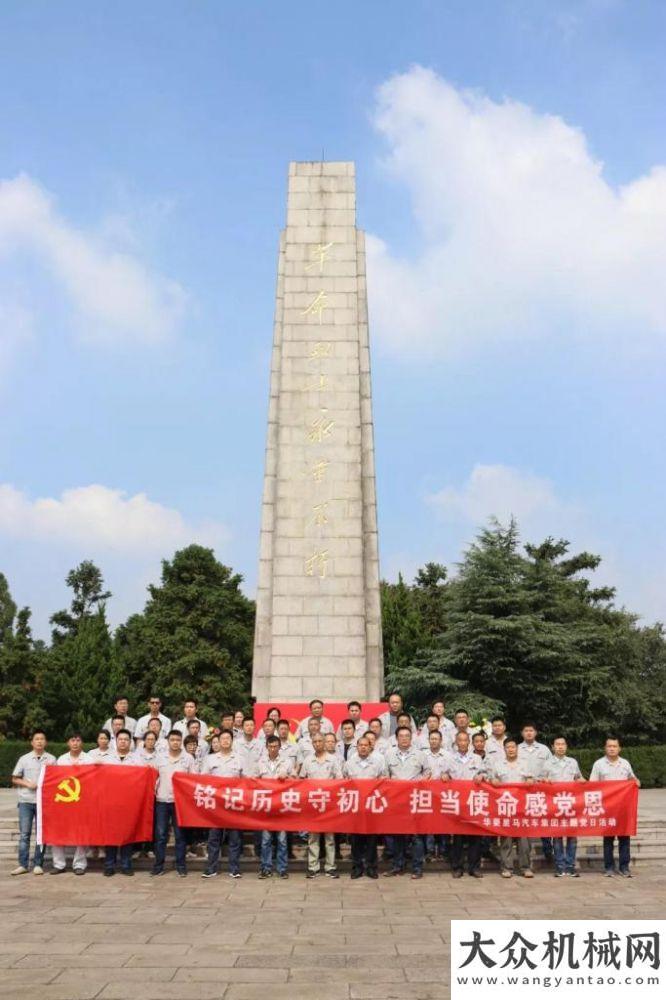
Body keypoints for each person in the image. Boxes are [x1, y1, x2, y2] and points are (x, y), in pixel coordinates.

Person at [590, 736, 641, 878]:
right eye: (609, 746)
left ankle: (624, 867)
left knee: (625, 838)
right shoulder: (599, 764)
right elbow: (592, 785)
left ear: (619, 748)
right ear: (605, 748)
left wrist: (636, 781)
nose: (612, 749)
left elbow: (632, 778)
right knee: (608, 839)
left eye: (614, 746)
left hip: (623, 808)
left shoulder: (625, 763)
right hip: (607, 808)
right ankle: (609, 867)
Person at [383, 726, 430, 879]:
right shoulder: (389, 754)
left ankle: (417, 868)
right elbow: (385, 775)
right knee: (397, 835)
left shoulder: (420, 754)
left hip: (414, 800)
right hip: (396, 800)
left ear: (411, 738)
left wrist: (422, 781)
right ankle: (398, 866)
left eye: (407, 736)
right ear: (396, 738)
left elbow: (428, 772)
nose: (404, 738)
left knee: (416, 836)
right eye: (401, 736)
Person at [201, 730, 246, 878]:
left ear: (232, 741)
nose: (225, 740)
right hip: (216, 805)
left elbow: (246, 780)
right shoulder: (210, 759)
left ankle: (234, 868)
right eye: (223, 738)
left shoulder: (240, 759)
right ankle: (211, 867)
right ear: (218, 742)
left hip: (234, 804)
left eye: (228, 738)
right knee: (214, 838)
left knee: (235, 838)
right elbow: (203, 779)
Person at [441, 732, 486, 879]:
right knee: (458, 838)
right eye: (460, 740)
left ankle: (474, 867)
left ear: (469, 742)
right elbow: (443, 774)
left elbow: (484, 773)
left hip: (473, 803)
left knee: (475, 838)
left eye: (465, 740)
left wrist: (481, 776)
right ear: (456, 742)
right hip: (457, 803)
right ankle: (457, 867)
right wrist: (445, 776)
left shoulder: (477, 758)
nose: (462, 743)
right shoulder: (449, 758)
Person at [11, 730, 55, 876]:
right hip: (26, 801)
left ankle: (38, 864)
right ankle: (23, 864)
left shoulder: (51, 759)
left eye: (42, 739)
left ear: (46, 742)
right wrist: (27, 784)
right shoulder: (24, 759)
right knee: (25, 834)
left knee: (41, 835)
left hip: (43, 803)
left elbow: (56, 780)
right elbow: (15, 778)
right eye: (37, 739)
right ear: (32, 742)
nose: (39, 741)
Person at [490, 736, 535, 879]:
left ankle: (525, 867)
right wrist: (494, 780)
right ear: (504, 749)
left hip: (522, 808)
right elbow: (492, 779)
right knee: (506, 840)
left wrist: (529, 780)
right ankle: (506, 867)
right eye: (508, 747)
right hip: (506, 808)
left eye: (513, 747)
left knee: (524, 841)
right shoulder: (498, 764)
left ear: (517, 749)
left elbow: (532, 779)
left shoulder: (525, 764)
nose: (511, 749)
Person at [151, 730, 194, 878]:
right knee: (161, 835)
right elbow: (151, 777)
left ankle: (181, 866)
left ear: (181, 741)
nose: (175, 742)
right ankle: (158, 866)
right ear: (168, 741)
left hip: (180, 803)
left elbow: (193, 780)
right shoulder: (159, 758)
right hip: (162, 801)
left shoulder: (188, 758)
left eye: (178, 739)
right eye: (172, 739)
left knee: (180, 836)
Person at [541, 736, 585, 877]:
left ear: (566, 746)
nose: (560, 747)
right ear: (553, 747)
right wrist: (544, 780)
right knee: (557, 836)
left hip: (571, 803)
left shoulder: (572, 762)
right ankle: (560, 866)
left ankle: (571, 866)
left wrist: (583, 781)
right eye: (557, 744)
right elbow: (540, 780)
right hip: (555, 804)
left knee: (572, 836)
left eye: (563, 744)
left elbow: (578, 777)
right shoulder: (547, 763)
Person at [300, 732, 342, 878]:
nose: (317, 744)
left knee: (329, 838)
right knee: (313, 838)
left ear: (325, 742)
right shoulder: (307, 761)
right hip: (313, 804)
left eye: (320, 741)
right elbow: (301, 780)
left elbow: (339, 780)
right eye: (315, 742)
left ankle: (330, 867)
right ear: (312, 744)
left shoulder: (333, 760)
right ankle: (313, 867)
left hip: (329, 804)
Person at [343, 734, 384, 879]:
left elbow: (383, 780)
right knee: (356, 840)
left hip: (371, 806)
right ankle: (357, 867)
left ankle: (372, 867)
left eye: (366, 745)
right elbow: (344, 781)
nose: (363, 747)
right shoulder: (350, 763)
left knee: (372, 839)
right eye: (360, 745)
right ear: (357, 747)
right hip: (355, 807)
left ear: (370, 747)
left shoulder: (378, 762)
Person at [101, 729, 140, 876]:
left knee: (127, 834)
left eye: (126, 739)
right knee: (110, 834)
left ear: (130, 742)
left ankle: (126, 864)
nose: (123, 741)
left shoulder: (137, 760)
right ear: (115, 741)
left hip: (129, 803)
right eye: (120, 739)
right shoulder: (108, 759)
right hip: (111, 803)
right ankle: (109, 865)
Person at [51, 733, 90, 876]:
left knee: (81, 833)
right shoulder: (61, 759)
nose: (75, 743)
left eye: (78, 740)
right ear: (68, 743)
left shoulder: (89, 759)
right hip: (64, 802)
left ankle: (79, 864)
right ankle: (59, 864)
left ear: (82, 742)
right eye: (72, 740)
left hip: (83, 801)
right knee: (58, 832)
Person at [257, 735, 292, 879]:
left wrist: (288, 777)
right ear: (266, 747)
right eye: (270, 746)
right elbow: (253, 781)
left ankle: (282, 868)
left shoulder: (287, 762)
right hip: (266, 807)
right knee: (265, 840)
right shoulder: (260, 762)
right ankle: (266, 867)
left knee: (282, 840)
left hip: (282, 807)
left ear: (279, 747)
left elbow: (296, 780)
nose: (272, 749)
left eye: (275, 746)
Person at [518, 723, 554, 863]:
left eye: (531, 730)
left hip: (541, 788)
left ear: (536, 732)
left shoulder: (544, 750)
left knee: (543, 819)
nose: (528, 733)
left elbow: (551, 767)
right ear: (522, 733)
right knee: (524, 820)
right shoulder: (517, 749)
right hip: (523, 789)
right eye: (526, 730)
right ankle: (524, 851)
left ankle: (547, 849)